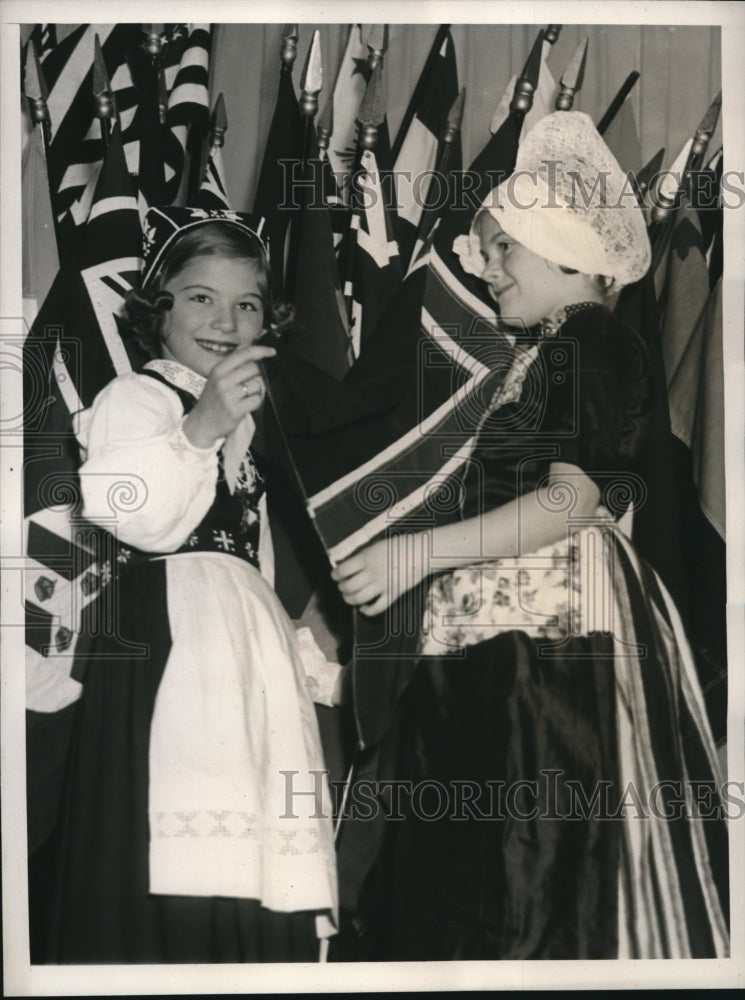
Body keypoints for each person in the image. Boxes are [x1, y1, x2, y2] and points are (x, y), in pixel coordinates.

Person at [331, 112, 729, 960]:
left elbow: (570, 501)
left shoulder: (589, 341)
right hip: (510, 629)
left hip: (553, 636)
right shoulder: (547, 350)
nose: (486, 265)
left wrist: (411, 556)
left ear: (560, 249)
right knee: (496, 861)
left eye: (502, 247)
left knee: (530, 861)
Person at [37, 207, 338, 964]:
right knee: (169, 825)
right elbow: (128, 513)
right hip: (164, 639)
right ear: (157, 306)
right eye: (201, 298)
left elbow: (255, 555)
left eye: (247, 305)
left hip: (241, 641)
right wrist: (199, 426)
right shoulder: (139, 399)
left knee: (253, 818)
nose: (226, 321)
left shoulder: (252, 424)